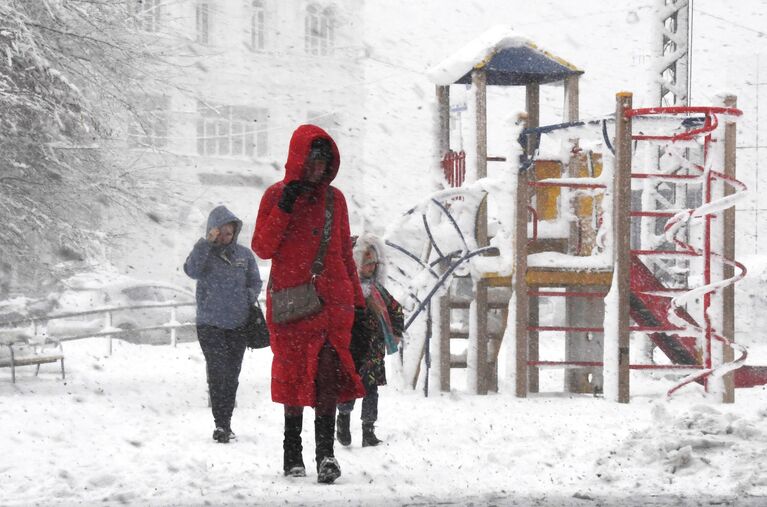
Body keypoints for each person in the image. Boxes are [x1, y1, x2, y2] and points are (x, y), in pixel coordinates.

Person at [251, 124, 365, 484]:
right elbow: (263, 247)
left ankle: (326, 455)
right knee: (294, 378)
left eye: (325, 160)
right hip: (292, 306)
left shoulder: (337, 200)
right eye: (314, 159)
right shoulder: (275, 196)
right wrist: (285, 207)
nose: (319, 167)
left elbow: (345, 254)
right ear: (300, 158)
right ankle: (292, 452)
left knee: (328, 376)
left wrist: (359, 305)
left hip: (333, 306)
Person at [184, 205, 262, 444]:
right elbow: (191, 270)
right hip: (210, 324)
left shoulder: (244, 255)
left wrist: (245, 297)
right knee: (218, 372)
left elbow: (255, 282)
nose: (225, 237)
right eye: (220, 233)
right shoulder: (204, 253)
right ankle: (220, 424)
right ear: (212, 232)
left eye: (229, 233)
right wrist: (205, 244)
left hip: (238, 324)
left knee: (232, 374)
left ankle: (226, 422)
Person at [336, 233, 404, 447]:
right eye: (366, 264)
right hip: (352, 351)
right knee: (349, 388)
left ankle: (368, 430)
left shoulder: (377, 291)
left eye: (374, 264)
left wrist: (396, 332)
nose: (371, 268)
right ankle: (343, 421)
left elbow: (395, 309)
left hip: (374, 353)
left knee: (371, 391)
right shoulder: (348, 292)